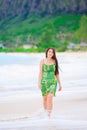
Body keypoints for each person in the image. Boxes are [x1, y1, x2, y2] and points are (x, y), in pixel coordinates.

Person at [38, 47, 62, 118]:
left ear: (53, 54)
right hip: (44, 82)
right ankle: (45, 113)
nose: (51, 53)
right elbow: (40, 73)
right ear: (47, 52)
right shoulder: (42, 61)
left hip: (52, 82)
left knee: (50, 97)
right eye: (49, 51)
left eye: (52, 52)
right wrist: (39, 82)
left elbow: (57, 73)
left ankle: (49, 116)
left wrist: (60, 84)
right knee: (45, 99)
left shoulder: (54, 61)